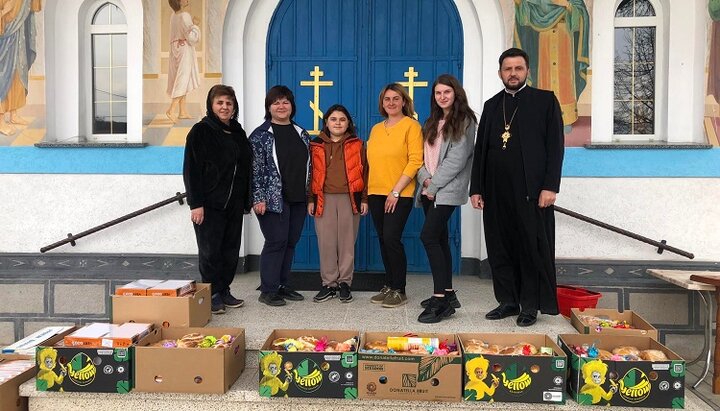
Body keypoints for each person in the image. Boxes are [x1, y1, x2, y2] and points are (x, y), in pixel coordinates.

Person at [469, 48, 564, 327]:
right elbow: (481, 150)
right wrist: (477, 188)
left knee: (529, 249)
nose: (513, 73)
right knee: (500, 247)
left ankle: (529, 306)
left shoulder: (544, 101)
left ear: (527, 71)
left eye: (518, 68)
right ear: (500, 73)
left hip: (531, 193)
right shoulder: (491, 105)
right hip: (496, 191)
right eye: (507, 69)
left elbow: (555, 148)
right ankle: (508, 301)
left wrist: (550, 186)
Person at [182, 84, 252, 314]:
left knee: (230, 250)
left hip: (233, 205)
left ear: (234, 107)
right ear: (211, 105)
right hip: (209, 204)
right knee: (210, 251)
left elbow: (245, 169)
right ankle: (210, 293)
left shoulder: (238, 132)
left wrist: (245, 200)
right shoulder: (201, 131)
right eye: (220, 103)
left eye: (229, 103)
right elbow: (191, 170)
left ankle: (224, 290)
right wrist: (196, 204)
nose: (225, 107)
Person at [415, 74, 477, 323]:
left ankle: (439, 301)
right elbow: (420, 157)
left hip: (446, 191)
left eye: (446, 92)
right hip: (429, 189)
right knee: (438, 238)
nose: (442, 97)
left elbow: (457, 160)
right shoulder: (433, 121)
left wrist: (434, 184)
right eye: (438, 93)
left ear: (456, 94)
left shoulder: (465, 120)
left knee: (428, 236)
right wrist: (425, 180)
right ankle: (449, 293)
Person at [250, 85, 309, 307]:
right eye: (276, 102)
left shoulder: (301, 132)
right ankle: (268, 289)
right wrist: (258, 197)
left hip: (298, 198)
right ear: (269, 107)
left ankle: (283, 285)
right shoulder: (260, 135)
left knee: (290, 242)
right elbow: (254, 170)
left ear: (292, 106)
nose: (281, 106)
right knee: (276, 241)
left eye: (285, 102)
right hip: (272, 199)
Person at [367, 83, 423, 308]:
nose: (391, 102)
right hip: (375, 192)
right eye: (387, 99)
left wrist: (396, 191)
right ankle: (389, 285)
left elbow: (415, 160)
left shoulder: (412, 126)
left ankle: (400, 289)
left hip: (399, 194)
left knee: (392, 238)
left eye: (396, 98)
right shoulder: (376, 129)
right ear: (382, 103)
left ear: (404, 102)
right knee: (383, 239)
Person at [307, 104, 368, 303]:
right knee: (326, 243)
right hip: (323, 199)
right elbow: (310, 175)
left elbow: (366, 172)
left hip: (350, 199)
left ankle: (344, 283)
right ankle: (328, 284)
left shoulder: (358, 144)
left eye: (342, 119)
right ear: (326, 123)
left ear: (348, 122)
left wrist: (365, 199)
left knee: (346, 243)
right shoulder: (316, 145)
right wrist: (310, 199)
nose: (338, 123)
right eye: (333, 119)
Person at [514, 0, 590, 128]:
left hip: (564, 37)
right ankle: (544, 117)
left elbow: (582, 17)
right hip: (544, 38)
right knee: (545, 76)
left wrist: (567, 5)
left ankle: (565, 119)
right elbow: (524, 19)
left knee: (564, 77)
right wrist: (520, 4)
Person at [0, 0, 42, 136]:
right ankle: (0, 120)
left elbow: (34, 6)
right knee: (4, 74)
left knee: (18, 73)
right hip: (6, 32)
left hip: (19, 32)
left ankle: (13, 113)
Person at [166, 0, 200, 123]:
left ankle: (183, 112)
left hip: (175, 49)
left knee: (180, 79)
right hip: (184, 50)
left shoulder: (173, 16)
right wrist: (196, 25)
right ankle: (171, 110)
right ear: (179, 2)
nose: (187, 0)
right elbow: (191, 38)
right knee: (182, 80)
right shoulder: (185, 16)